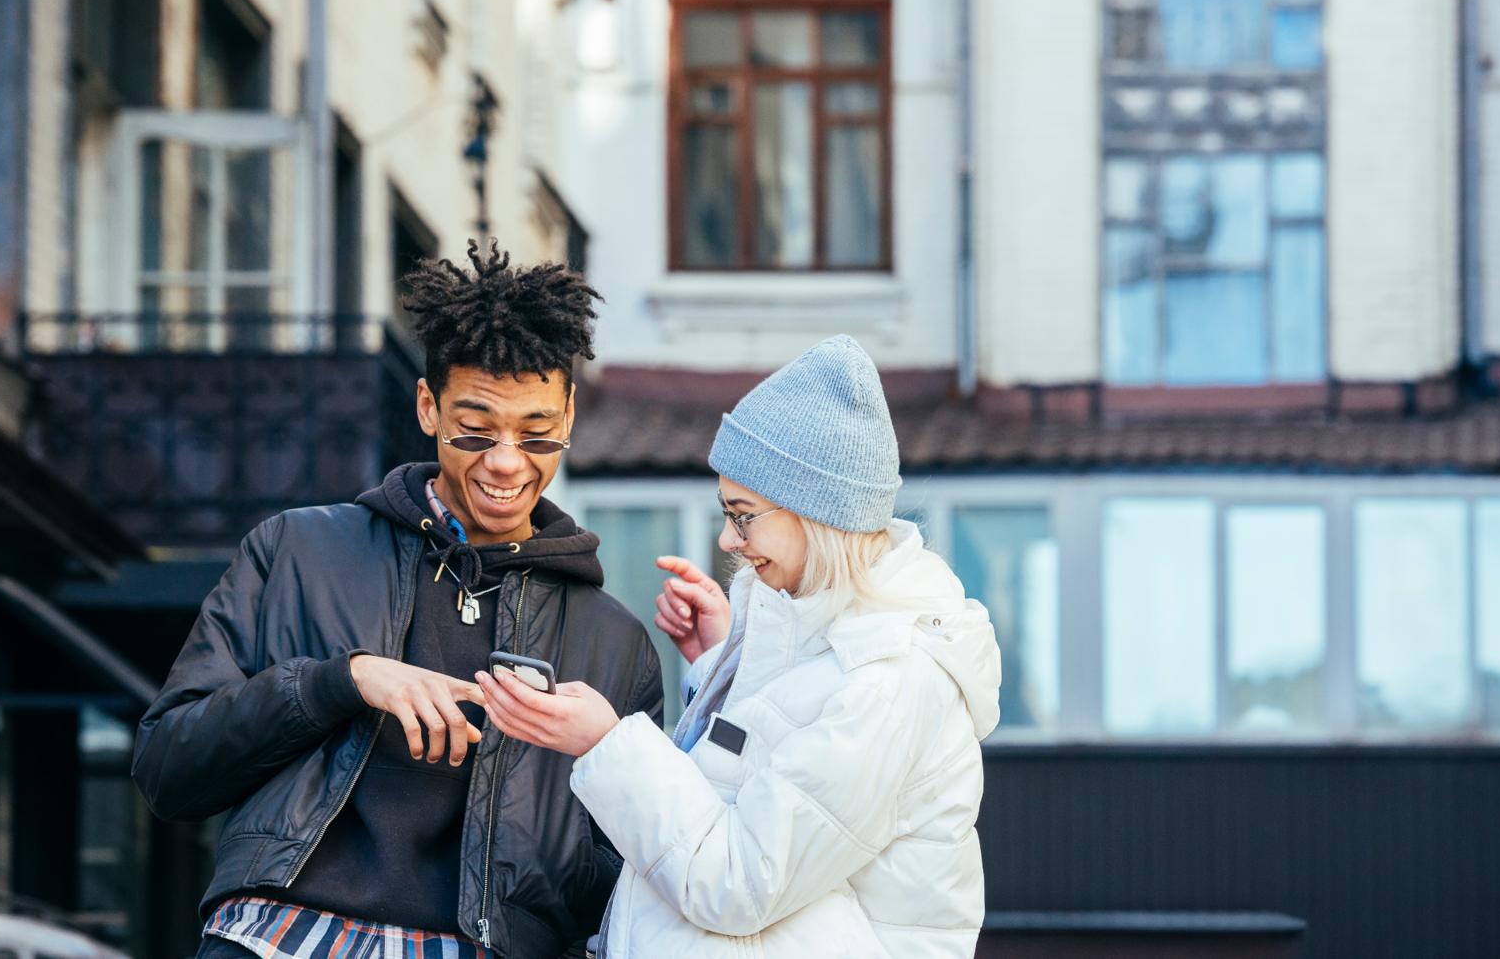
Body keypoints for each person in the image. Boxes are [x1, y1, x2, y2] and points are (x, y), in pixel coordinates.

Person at [132, 242, 663, 959]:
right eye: (475, 428)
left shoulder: (613, 641)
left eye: (537, 433)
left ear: (568, 415)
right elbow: (168, 769)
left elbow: (630, 879)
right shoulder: (297, 552)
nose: (506, 461)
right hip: (280, 938)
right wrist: (339, 681)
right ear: (427, 407)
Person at [479, 334, 1002, 957]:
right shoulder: (826, 631)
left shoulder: (891, 679)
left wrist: (606, 743)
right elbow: (769, 776)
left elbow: (739, 881)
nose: (728, 539)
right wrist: (719, 662)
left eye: (743, 513)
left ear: (816, 512)